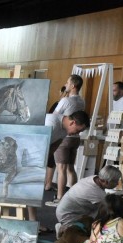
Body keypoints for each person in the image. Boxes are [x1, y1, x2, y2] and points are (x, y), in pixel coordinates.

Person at [28, 109, 90, 232]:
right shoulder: (51, 124)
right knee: (30, 190)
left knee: (32, 191)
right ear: (72, 123)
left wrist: (45, 162)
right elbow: (35, 142)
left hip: (37, 156)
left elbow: (54, 146)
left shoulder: (64, 129)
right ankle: (32, 223)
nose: (76, 134)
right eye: (78, 131)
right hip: (28, 152)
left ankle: (32, 222)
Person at [54, 165, 121, 243]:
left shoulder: (94, 178)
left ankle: (66, 227)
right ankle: (65, 228)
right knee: (107, 213)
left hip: (65, 210)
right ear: (105, 182)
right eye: (115, 181)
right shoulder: (97, 193)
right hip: (69, 215)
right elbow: (112, 209)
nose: (117, 184)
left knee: (101, 209)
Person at [49, 74, 86, 204]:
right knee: (70, 168)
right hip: (76, 138)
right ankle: (73, 197)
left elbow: (55, 116)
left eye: (67, 83)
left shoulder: (65, 101)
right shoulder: (82, 101)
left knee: (61, 169)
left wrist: (62, 97)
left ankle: (60, 198)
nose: (66, 85)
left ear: (73, 85)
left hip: (64, 136)